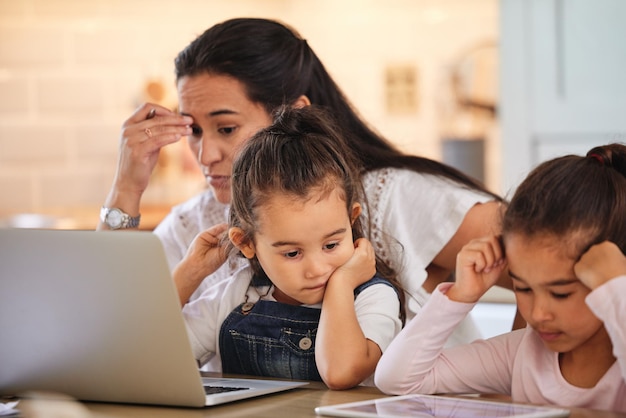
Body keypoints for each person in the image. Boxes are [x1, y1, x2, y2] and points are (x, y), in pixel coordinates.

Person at [98, 17, 512, 344]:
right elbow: (107, 332)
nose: (206, 155)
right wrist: (127, 188)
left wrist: (522, 380)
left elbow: (542, 248)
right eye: (194, 131)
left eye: (225, 129)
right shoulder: (198, 224)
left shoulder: (391, 196)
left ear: (293, 115)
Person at [374, 144, 626, 411]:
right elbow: (396, 379)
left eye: (560, 293)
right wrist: (460, 295)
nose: (538, 314)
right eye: (523, 289)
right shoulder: (521, 354)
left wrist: (617, 287)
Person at [175, 105, 403, 389]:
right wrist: (186, 276)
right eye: (293, 253)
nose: (317, 269)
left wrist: (342, 284)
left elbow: (341, 372)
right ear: (246, 243)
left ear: (351, 219)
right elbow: (152, 361)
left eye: (331, 245)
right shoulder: (237, 295)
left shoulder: (372, 298)